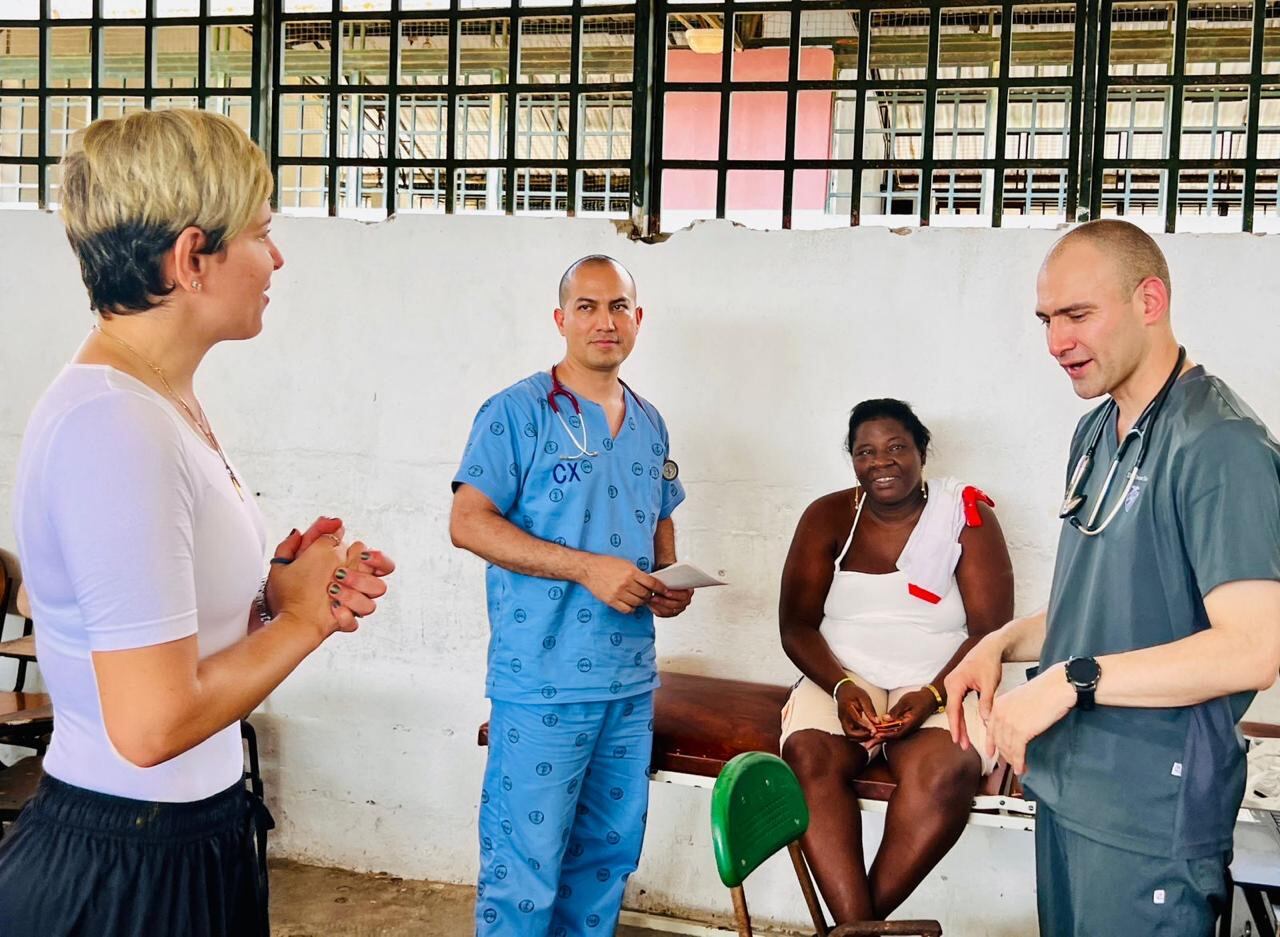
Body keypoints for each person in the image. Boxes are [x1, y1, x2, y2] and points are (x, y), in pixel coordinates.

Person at [0, 109, 394, 937]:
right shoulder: (114, 424)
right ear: (191, 258)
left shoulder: (154, 403)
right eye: (261, 231)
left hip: (181, 835)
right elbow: (150, 726)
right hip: (125, 870)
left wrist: (264, 601)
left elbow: (163, 644)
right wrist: (306, 614)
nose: (277, 256)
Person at [945, 219, 1280, 937]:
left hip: (1149, 816)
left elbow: (1254, 648)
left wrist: (1069, 680)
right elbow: (1100, 596)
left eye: (1077, 315)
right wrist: (1000, 643)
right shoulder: (1096, 432)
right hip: (1069, 787)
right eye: (1046, 319)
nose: (1056, 342)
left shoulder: (1220, 445)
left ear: (1149, 300)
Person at [450, 254, 693, 937]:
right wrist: (588, 568)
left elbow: (660, 511)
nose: (604, 320)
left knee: (606, 864)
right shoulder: (517, 413)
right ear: (561, 319)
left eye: (618, 305)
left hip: (627, 683)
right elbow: (468, 522)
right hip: (542, 681)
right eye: (586, 306)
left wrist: (667, 578)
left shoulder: (649, 423)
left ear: (638, 320)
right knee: (523, 873)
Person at [778, 398, 1014, 924]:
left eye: (896, 448)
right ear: (853, 460)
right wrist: (840, 687)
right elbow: (795, 624)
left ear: (922, 453)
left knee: (947, 771)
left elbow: (989, 632)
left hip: (943, 681)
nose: (881, 462)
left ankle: (851, 929)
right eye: (865, 452)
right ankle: (861, 931)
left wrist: (931, 695)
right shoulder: (827, 516)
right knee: (809, 758)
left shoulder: (966, 518)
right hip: (840, 677)